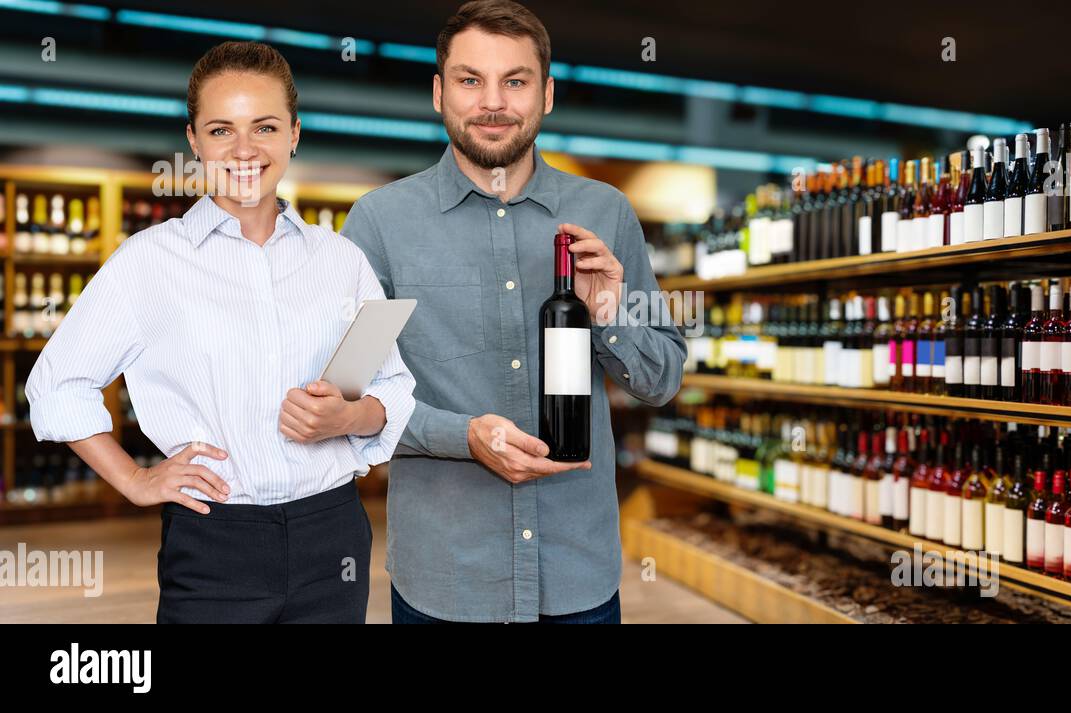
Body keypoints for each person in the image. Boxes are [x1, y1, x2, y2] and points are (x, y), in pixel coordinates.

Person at [25, 41, 415, 624]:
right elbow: (57, 385)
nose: (244, 150)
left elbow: (391, 385)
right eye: (220, 130)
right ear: (193, 141)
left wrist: (350, 418)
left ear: (294, 134)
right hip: (215, 541)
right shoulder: (150, 261)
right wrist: (133, 479)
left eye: (264, 127)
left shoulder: (341, 260)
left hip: (333, 534)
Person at [343, 0, 686, 624]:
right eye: (471, 80)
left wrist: (607, 312)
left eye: (516, 81)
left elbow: (661, 381)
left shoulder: (606, 213)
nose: (492, 102)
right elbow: (351, 396)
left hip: (578, 575)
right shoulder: (381, 224)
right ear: (439, 92)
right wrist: (463, 437)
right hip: (444, 581)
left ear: (547, 94)